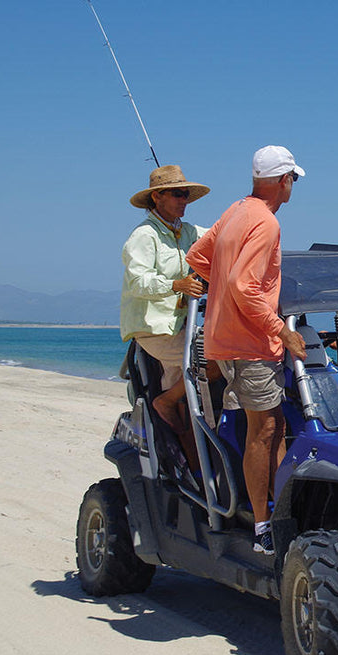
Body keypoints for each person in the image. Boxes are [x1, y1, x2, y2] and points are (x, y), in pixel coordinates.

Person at [186, 145, 307, 555]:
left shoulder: (238, 209)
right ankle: (264, 529)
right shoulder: (266, 223)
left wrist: (220, 292)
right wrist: (281, 330)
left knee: (271, 427)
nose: (293, 186)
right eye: (293, 179)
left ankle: (278, 516)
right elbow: (243, 284)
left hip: (224, 341)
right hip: (251, 344)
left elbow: (198, 256)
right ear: (283, 180)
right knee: (266, 431)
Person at [120, 164, 216, 470]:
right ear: (157, 197)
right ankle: (164, 401)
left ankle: (197, 471)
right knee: (214, 363)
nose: (184, 200)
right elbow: (137, 282)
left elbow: (219, 238)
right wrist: (176, 285)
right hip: (155, 329)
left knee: (189, 404)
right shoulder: (143, 236)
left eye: (186, 194)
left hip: (184, 327)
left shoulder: (187, 232)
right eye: (178, 194)